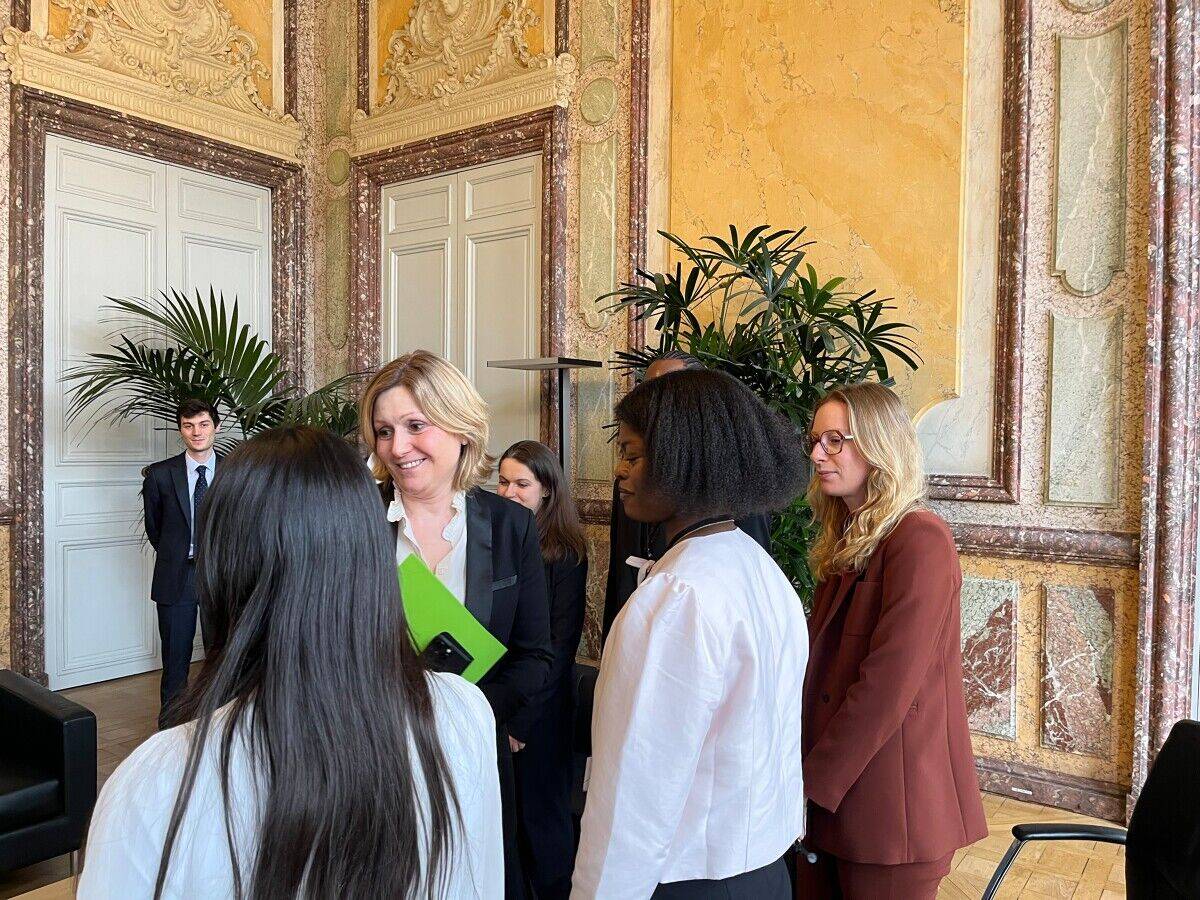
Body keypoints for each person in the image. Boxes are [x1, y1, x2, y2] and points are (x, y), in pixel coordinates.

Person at [79, 426, 503, 898]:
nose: (399, 446)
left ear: (222, 569)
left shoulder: (155, 784)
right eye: (384, 431)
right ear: (369, 554)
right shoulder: (466, 713)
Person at [574, 369, 809, 899]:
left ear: (683, 461)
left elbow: (634, 793)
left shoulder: (680, 596)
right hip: (764, 870)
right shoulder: (758, 569)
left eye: (632, 454)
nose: (619, 470)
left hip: (692, 879)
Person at [360, 350, 552, 900]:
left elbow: (534, 655)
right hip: (377, 757)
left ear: (461, 427)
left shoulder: (511, 526)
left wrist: (464, 714)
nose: (398, 448)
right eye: (384, 431)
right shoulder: (355, 522)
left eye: (416, 425)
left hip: (474, 754)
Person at [798, 383, 987, 899]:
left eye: (836, 440)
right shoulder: (848, 538)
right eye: (816, 440)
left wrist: (809, 786)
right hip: (839, 802)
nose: (818, 454)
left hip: (890, 813)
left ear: (879, 444)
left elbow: (886, 688)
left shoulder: (920, 540)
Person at [601, 350, 772, 643]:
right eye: (650, 389)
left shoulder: (732, 488)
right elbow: (620, 570)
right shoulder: (632, 482)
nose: (659, 402)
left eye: (671, 389)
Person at [497, 440, 589, 900]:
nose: (509, 493)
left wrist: (520, 720)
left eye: (522, 484)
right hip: (504, 701)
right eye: (503, 481)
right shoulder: (497, 539)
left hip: (543, 711)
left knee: (545, 822)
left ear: (547, 490)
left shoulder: (565, 551)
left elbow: (559, 645)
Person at [142, 398, 222, 729]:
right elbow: (155, 528)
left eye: (203, 424)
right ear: (180, 430)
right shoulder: (161, 475)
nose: (196, 432)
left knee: (222, 657)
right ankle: (170, 733)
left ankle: (218, 727)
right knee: (176, 660)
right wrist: (182, 552)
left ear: (216, 427)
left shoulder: (235, 470)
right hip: (178, 576)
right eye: (188, 426)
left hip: (221, 576)